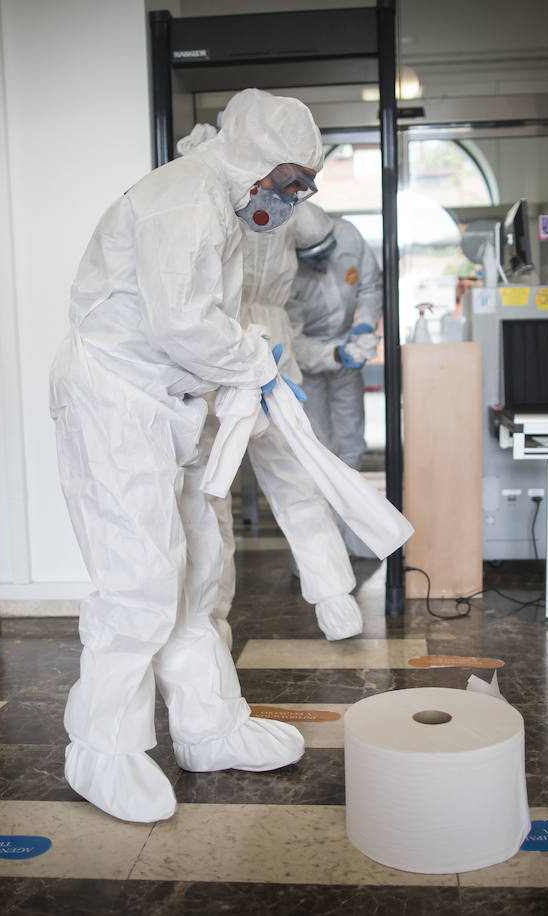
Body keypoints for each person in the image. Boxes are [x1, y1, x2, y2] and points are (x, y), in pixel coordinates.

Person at [49, 89, 322, 823]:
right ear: (255, 156)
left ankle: (209, 727)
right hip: (116, 398)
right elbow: (181, 323)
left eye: (302, 186)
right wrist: (254, 358)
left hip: (169, 400)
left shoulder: (218, 204)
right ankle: (102, 748)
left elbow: (192, 326)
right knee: (137, 577)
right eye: (288, 181)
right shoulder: (185, 200)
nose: (289, 199)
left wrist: (240, 369)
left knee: (202, 568)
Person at [176, 121, 362, 645]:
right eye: (294, 180)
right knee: (209, 486)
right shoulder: (198, 188)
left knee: (294, 469)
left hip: (271, 332)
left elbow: (320, 239)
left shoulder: (287, 203)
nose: (294, 193)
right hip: (215, 339)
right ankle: (209, 621)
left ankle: (331, 589)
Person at [287, 201, 383, 557]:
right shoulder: (284, 266)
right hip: (308, 367)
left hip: (347, 351)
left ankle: (355, 536)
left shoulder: (349, 236)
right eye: (312, 260)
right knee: (317, 451)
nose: (322, 265)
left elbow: (371, 286)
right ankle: (321, 550)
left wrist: (363, 325)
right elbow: (291, 338)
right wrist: (332, 354)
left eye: (325, 254)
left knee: (351, 443)